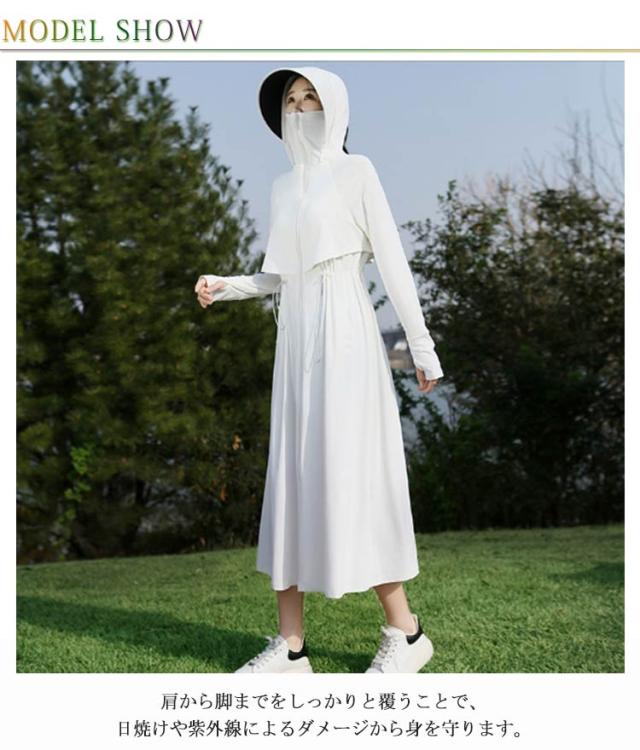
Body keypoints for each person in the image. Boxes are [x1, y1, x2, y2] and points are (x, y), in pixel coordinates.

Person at [194, 66, 444, 673]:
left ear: (334, 107)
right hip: (296, 339)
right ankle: (291, 647)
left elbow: (393, 262)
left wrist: (421, 345)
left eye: (311, 97)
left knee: (352, 474)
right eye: (291, 98)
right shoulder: (283, 187)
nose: (300, 107)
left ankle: (407, 633)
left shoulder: (358, 173)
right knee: (293, 476)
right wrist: (226, 286)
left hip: (346, 338)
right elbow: (277, 275)